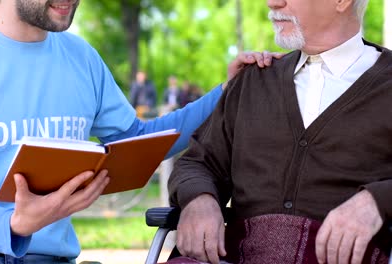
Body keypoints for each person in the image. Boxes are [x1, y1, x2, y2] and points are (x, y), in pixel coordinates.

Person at [0, 0, 279, 263]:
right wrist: (14, 223)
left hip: (52, 258)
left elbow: (137, 141)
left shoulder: (82, 58)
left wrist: (227, 91)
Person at [167, 0, 392, 263]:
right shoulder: (254, 79)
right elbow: (197, 163)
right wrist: (199, 199)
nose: (272, 2)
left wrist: (377, 200)